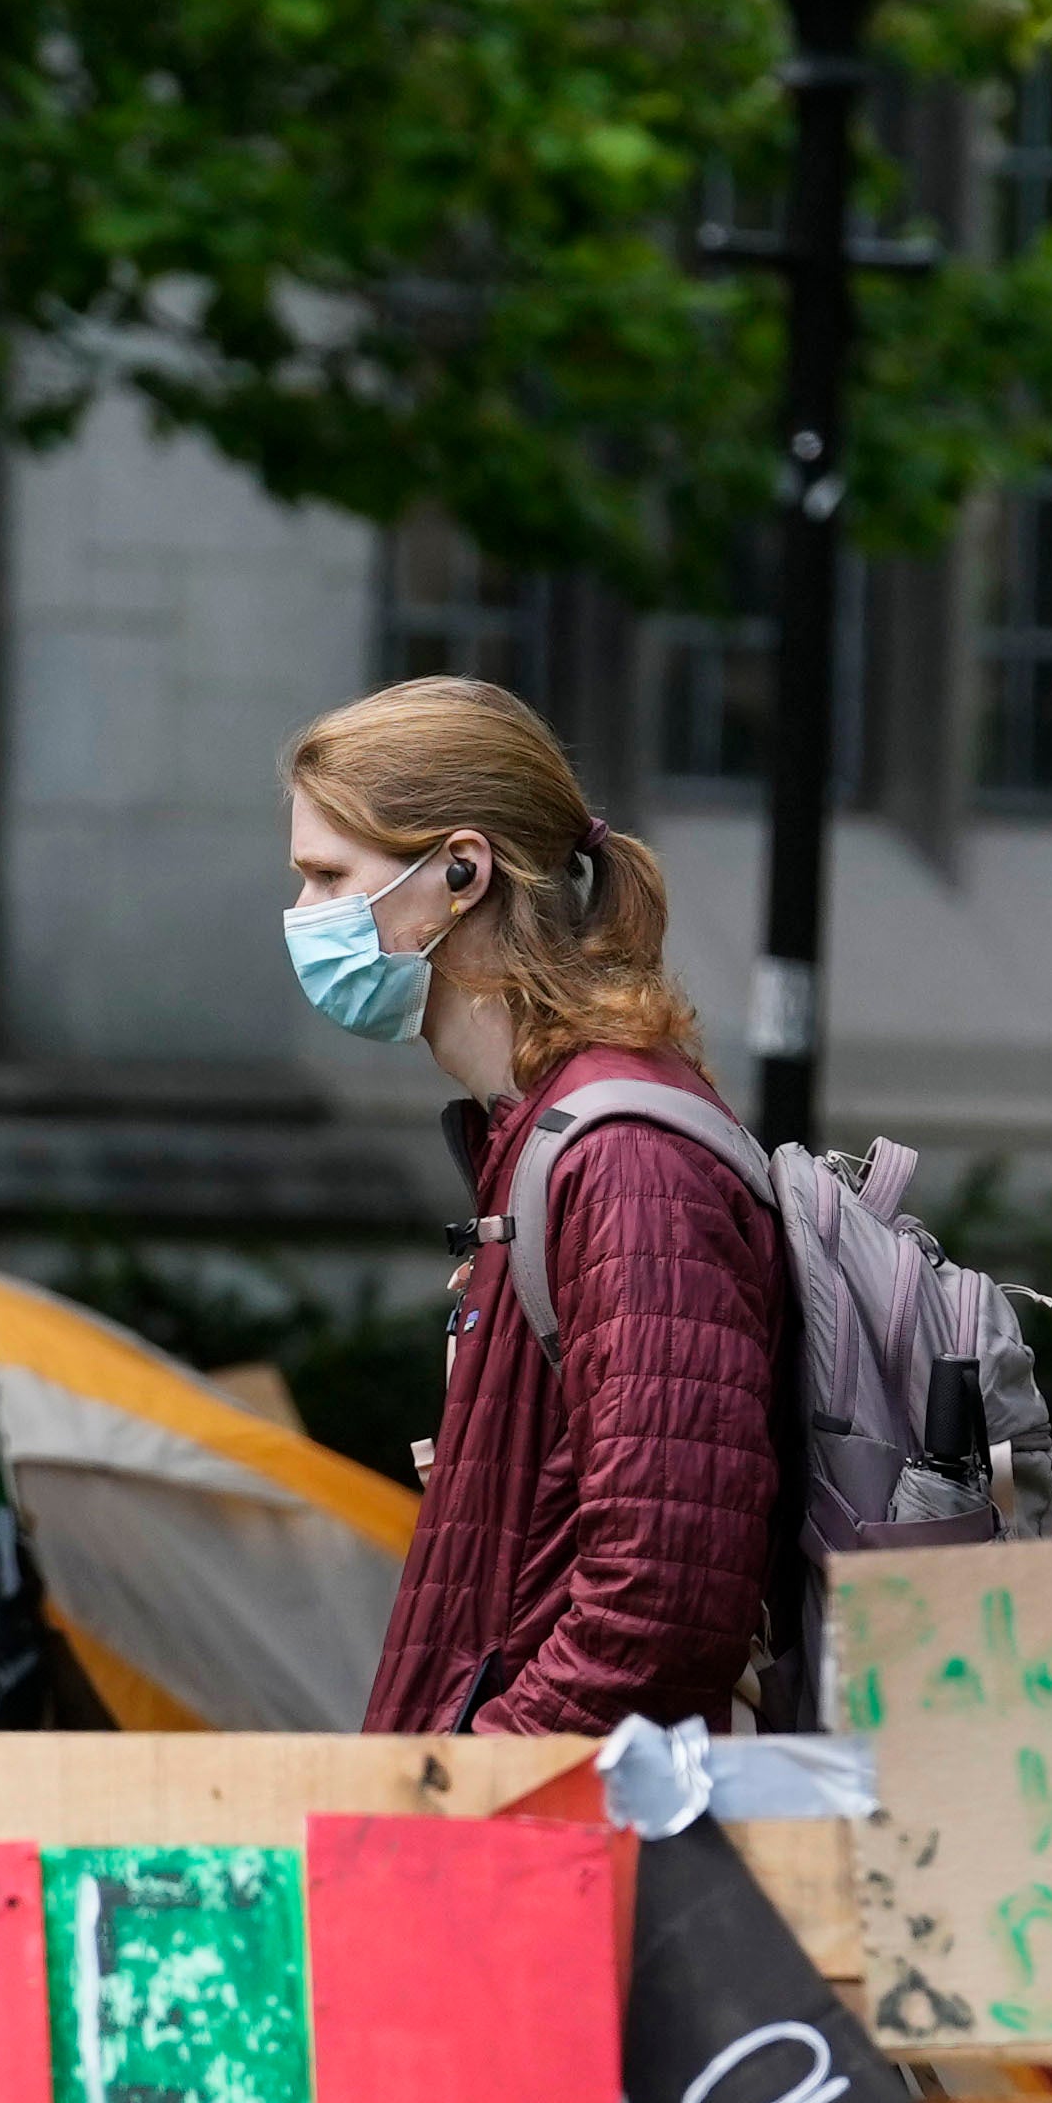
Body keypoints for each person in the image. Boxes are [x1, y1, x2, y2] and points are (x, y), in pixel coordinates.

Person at [291, 677, 800, 1738]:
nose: (301, 917)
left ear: (462, 872)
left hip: (555, 1821)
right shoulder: (541, 1134)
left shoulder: (625, 1160)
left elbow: (662, 1606)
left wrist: (470, 1788)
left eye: (329, 876)